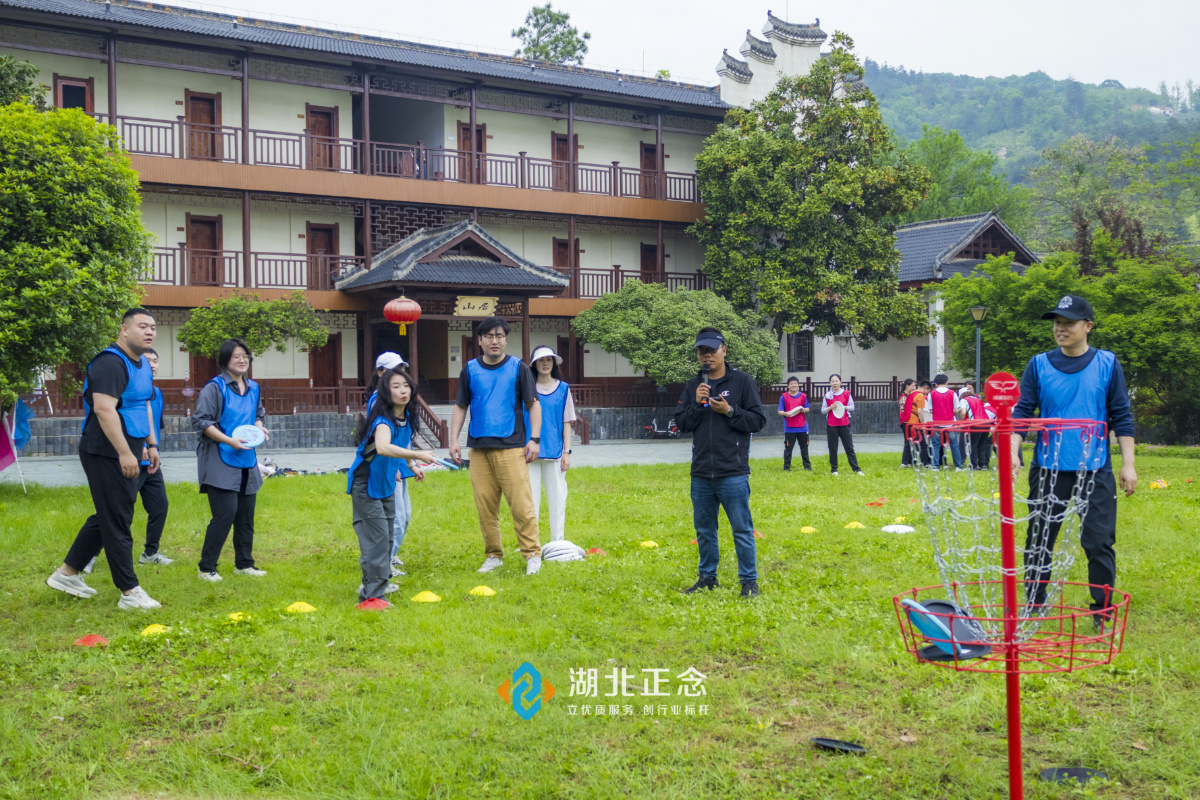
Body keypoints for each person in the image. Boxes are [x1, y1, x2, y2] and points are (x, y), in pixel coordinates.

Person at [1014, 295, 1136, 630]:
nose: (1060, 328)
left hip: (1094, 469)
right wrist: (1013, 450)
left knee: (1098, 540)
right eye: (1056, 322)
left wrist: (1129, 465)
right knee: (1039, 538)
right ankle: (1034, 605)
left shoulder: (1108, 364)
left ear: (1088, 326)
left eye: (1068, 322)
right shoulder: (1038, 364)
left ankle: (1102, 610)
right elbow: (1022, 413)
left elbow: (1122, 417)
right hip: (1048, 468)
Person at [44, 308, 163, 610]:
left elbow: (143, 406)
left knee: (110, 514)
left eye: (152, 327)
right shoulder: (110, 362)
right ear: (124, 330)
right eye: (141, 326)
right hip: (105, 450)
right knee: (118, 518)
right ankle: (129, 591)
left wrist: (151, 445)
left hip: (134, 447)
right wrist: (125, 452)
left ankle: (67, 573)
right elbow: (104, 410)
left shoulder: (144, 365)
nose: (149, 332)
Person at [674, 328, 766, 598]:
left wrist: (730, 411)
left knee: (741, 529)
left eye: (712, 351)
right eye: (702, 352)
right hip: (701, 471)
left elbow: (758, 421)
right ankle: (707, 577)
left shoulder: (741, 382)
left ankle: (749, 582)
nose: (707, 356)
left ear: (724, 350)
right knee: (704, 529)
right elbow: (681, 424)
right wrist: (697, 403)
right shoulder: (694, 386)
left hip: (732, 471)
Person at [448, 317, 544, 576]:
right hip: (479, 447)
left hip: (511, 446)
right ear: (479, 340)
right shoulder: (469, 370)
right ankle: (493, 555)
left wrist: (534, 439)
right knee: (485, 507)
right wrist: (453, 439)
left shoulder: (518, 367)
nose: (495, 340)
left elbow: (533, 405)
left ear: (505, 339)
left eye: (500, 336)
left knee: (521, 505)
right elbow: (460, 406)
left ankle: (533, 554)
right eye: (489, 336)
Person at [347, 369, 436, 605]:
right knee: (376, 539)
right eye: (395, 386)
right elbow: (384, 446)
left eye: (406, 385)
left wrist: (411, 463)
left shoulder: (406, 415)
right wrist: (418, 454)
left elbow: (402, 439)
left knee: (387, 537)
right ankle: (372, 596)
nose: (402, 390)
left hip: (385, 480)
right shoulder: (382, 420)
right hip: (365, 482)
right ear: (385, 391)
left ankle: (377, 586)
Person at [82, 348, 174, 574]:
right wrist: (136, 447)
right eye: (147, 361)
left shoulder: (154, 392)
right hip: (124, 457)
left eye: (155, 360)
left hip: (149, 461)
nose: (151, 365)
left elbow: (148, 419)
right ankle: (87, 557)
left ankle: (150, 553)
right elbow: (104, 414)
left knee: (159, 505)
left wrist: (152, 446)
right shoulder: (113, 379)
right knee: (115, 513)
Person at [193, 338, 269, 582]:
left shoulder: (254, 387)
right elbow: (201, 422)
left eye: (245, 356)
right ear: (225, 360)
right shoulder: (214, 388)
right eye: (236, 356)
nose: (242, 360)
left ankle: (244, 564)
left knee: (246, 514)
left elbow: (258, 414)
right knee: (226, 513)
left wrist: (260, 429)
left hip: (246, 456)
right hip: (219, 455)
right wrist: (228, 440)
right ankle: (206, 568)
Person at [524, 345, 576, 542]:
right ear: (534, 364)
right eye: (541, 360)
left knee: (557, 498)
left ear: (553, 363)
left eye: (549, 360)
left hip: (554, 451)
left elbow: (567, 422)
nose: (545, 363)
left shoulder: (563, 389)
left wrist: (567, 452)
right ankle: (531, 543)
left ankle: (557, 542)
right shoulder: (526, 388)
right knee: (529, 501)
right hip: (530, 453)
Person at [821, 374, 863, 476]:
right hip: (832, 424)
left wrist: (844, 407)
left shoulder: (846, 393)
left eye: (836, 381)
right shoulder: (827, 396)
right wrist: (830, 407)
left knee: (849, 447)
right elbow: (823, 410)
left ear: (840, 382)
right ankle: (834, 470)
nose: (834, 383)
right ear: (830, 383)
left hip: (844, 423)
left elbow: (852, 407)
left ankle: (856, 469)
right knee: (833, 447)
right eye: (832, 381)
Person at [928, 373, 965, 470]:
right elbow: (957, 409)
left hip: (936, 423)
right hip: (950, 423)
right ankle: (958, 466)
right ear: (947, 382)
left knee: (935, 445)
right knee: (954, 445)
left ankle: (935, 466)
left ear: (935, 383)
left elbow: (930, 409)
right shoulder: (953, 393)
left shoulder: (931, 394)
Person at [777, 376, 811, 471]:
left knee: (804, 448)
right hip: (790, 427)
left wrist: (803, 410)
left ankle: (807, 467)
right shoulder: (783, 397)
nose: (794, 385)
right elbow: (780, 411)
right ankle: (786, 467)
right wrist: (786, 414)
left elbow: (807, 408)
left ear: (798, 385)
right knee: (788, 448)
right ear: (788, 386)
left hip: (802, 427)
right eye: (792, 383)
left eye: (795, 383)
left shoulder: (803, 396)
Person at [960, 385, 994, 470]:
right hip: (986, 423)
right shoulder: (979, 400)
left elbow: (963, 412)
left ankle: (973, 465)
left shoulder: (964, 400)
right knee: (982, 444)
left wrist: (960, 422)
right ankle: (983, 465)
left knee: (973, 444)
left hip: (976, 423)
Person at [898, 379, 919, 468]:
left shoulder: (909, 396)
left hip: (908, 421)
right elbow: (903, 410)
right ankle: (905, 461)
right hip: (906, 421)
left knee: (912, 441)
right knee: (908, 441)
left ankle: (911, 461)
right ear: (907, 386)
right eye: (912, 386)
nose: (914, 388)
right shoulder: (904, 396)